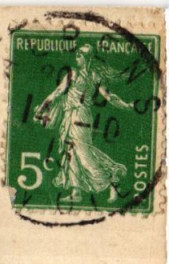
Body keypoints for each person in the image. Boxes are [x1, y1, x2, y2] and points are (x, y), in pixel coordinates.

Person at [33, 44, 133, 205]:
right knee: (70, 151)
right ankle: (76, 191)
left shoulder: (88, 75)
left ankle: (111, 180)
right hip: (72, 115)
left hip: (79, 116)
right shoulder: (79, 74)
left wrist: (125, 105)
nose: (76, 57)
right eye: (77, 55)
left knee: (82, 152)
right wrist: (43, 107)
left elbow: (109, 96)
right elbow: (58, 92)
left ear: (87, 58)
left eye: (80, 55)